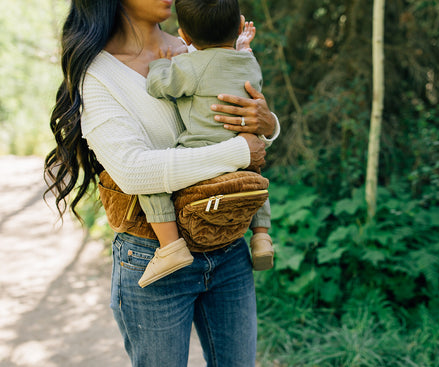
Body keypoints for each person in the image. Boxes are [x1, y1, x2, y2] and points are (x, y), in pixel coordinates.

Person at [44, 0, 279, 365]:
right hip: (153, 255)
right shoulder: (98, 74)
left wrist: (268, 124)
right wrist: (240, 151)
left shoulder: (194, 46)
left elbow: (244, 131)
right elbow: (134, 171)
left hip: (228, 244)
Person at [137, 0, 274, 288]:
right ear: (238, 26)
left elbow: (159, 86)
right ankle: (261, 236)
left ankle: (170, 247)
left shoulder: (189, 65)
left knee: (151, 182)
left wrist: (161, 64)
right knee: (256, 177)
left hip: (200, 150)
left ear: (184, 36)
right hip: (243, 148)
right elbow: (231, 66)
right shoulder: (250, 62)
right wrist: (243, 45)